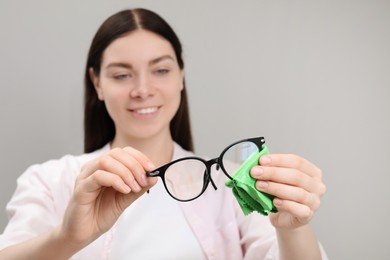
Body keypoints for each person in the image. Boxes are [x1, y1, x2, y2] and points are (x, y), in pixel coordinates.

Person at [0, 8, 327, 259]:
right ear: (97, 82)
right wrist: (68, 238)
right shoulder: (49, 180)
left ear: (181, 77)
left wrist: (294, 229)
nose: (143, 89)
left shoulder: (228, 185)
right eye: (122, 74)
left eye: (161, 70)